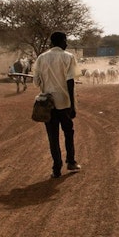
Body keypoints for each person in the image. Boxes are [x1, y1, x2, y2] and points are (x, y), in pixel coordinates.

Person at [34, 31, 80, 178]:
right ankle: (71, 161)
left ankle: (56, 168)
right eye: (65, 41)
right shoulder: (69, 57)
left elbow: (36, 82)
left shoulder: (41, 58)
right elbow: (70, 81)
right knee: (68, 132)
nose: (66, 43)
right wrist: (72, 105)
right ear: (60, 42)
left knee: (52, 136)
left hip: (47, 103)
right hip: (64, 102)